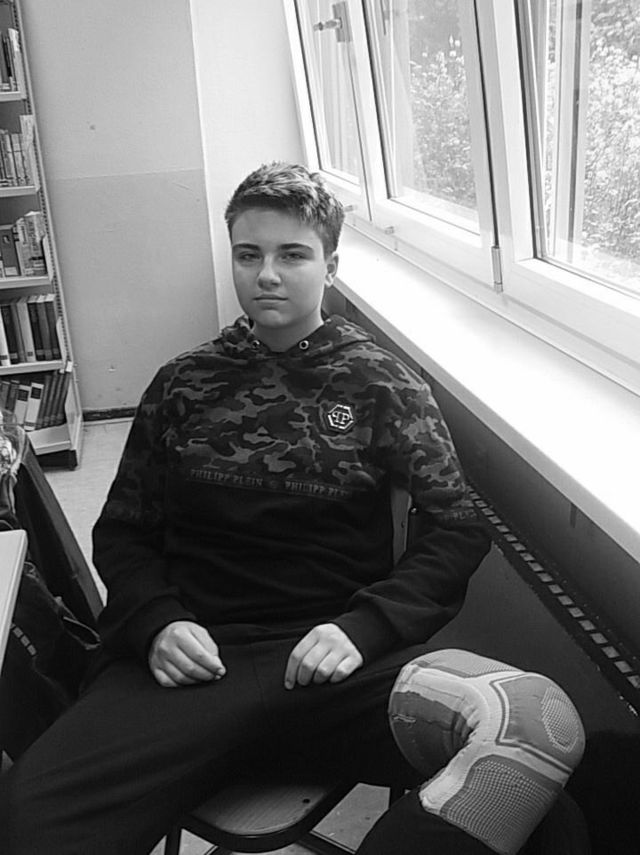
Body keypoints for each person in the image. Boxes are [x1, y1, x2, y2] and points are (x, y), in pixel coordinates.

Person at [2, 162, 585, 854]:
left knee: (537, 739)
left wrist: (366, 627)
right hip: (189, 666)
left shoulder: (382, 383)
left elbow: (456, 527)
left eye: (292, 255)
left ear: (330, 266)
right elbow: (124, 530)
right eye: (248, 255)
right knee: (26, 823)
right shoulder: (183, 382)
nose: (268, 275)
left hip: (338, 668)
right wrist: (156, 622)